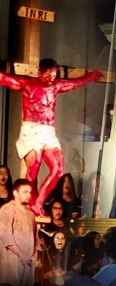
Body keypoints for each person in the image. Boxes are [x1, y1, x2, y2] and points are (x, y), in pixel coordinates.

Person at [0, 58, 101, 217]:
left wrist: (89, 78)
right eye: (47, 75)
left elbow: (72, 84)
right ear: (39, 72)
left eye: (53, 75)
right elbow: (5, 79)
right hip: (31, 128)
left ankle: (38, 202)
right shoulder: (28, 83)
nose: (50, 79)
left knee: (58, 169)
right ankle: (33, 205)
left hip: (48, 130)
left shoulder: (55, 86)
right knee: (33, 170)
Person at [0, 179, 39, 286]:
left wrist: (34, 257)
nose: (29, 195)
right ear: (15, 193)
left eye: (30, 192)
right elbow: (6, 238)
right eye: (25, 192)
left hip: (29, 263)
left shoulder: (30, 214)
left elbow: (36, 239)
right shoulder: (6, 210)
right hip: (12, 262)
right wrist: (23, 256)